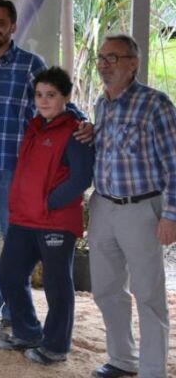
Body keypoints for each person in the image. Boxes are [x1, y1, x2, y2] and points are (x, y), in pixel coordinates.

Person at [0, 0, 90, 338]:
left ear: (13, 27)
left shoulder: (32, 64)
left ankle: (15, 316)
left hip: (17, 173)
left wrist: (84, 122)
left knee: (15, 249)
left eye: (0, 22)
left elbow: (57, 103)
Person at [89, 34, 176, 378]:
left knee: (148, 293)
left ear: (133, 63)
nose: (104, 64)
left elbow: (174, 162)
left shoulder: (156, 104)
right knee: (106, 289)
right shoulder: (101, 103)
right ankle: (122, 360)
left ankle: (153, 371)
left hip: (141, 209)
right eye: (101, 57)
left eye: (112, 57)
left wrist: (171, 214)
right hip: (103, 206)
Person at [0, 67, 94, 366]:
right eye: (39, 95)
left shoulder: (77, 131)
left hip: (55, 221)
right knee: (9, 274)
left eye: (51, 95)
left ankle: (56, 346)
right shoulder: (34, 125)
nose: (43, 101)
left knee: (57, 283)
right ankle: (27, 332)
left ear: (66, 97)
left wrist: (48, 203)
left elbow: (80, 179)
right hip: (24, 218)